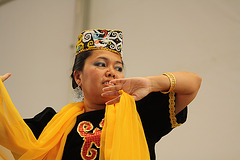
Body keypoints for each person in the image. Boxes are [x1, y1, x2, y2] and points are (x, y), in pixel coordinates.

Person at [0, 29, 202, 160]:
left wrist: (151, 83)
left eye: (119, 68)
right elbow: (9, 134)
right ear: (78, 77)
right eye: (101, 64)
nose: (112, 71)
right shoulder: (51, 125)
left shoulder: (140, 113)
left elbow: (192, 83)